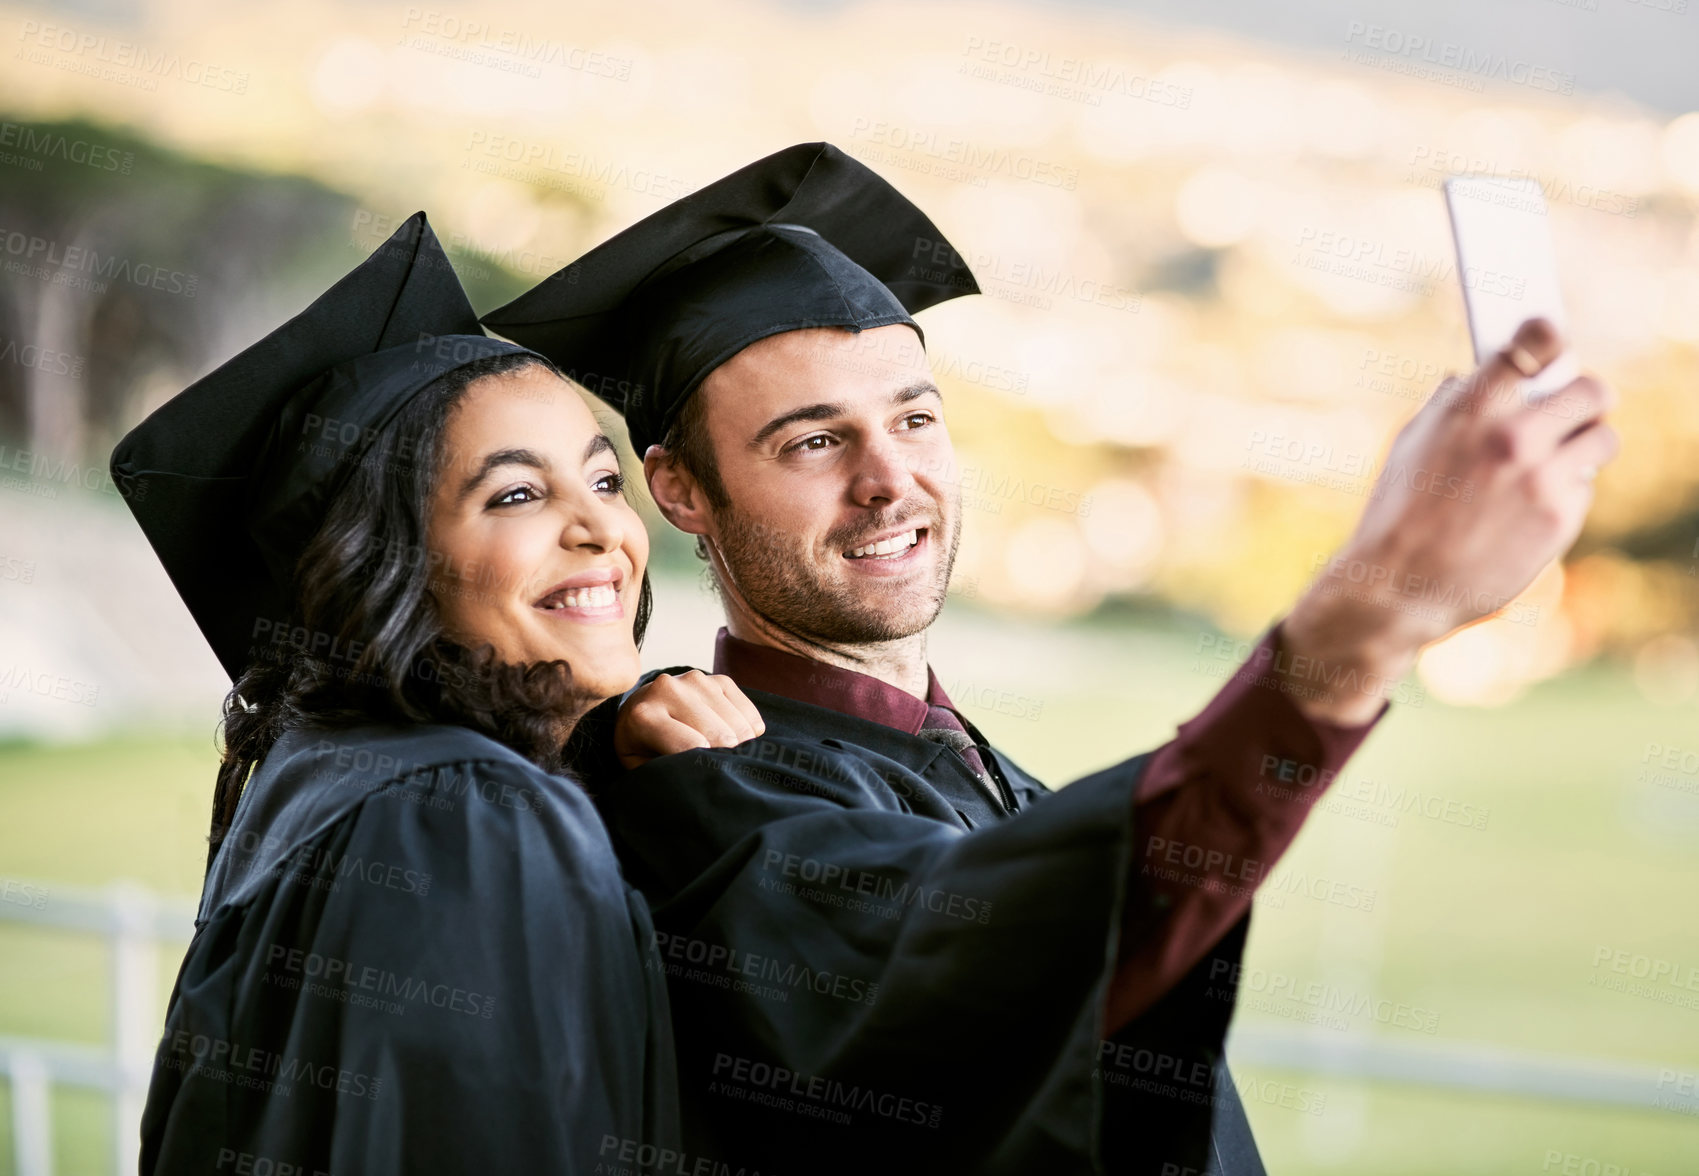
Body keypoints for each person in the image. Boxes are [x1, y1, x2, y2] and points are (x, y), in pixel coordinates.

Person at [483, 144, 1619, 1175]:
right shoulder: (711, 797)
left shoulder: (967, 765)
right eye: (816, 440)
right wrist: (1368, 616)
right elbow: (988, 977)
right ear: (678, 487)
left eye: (915, 419)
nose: (890, 479)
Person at [112, 213, 763, 1174]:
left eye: (602, 477)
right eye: (515, 495)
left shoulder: (329, 781)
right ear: (389, 563)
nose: (599, 530)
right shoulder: (465, 820)